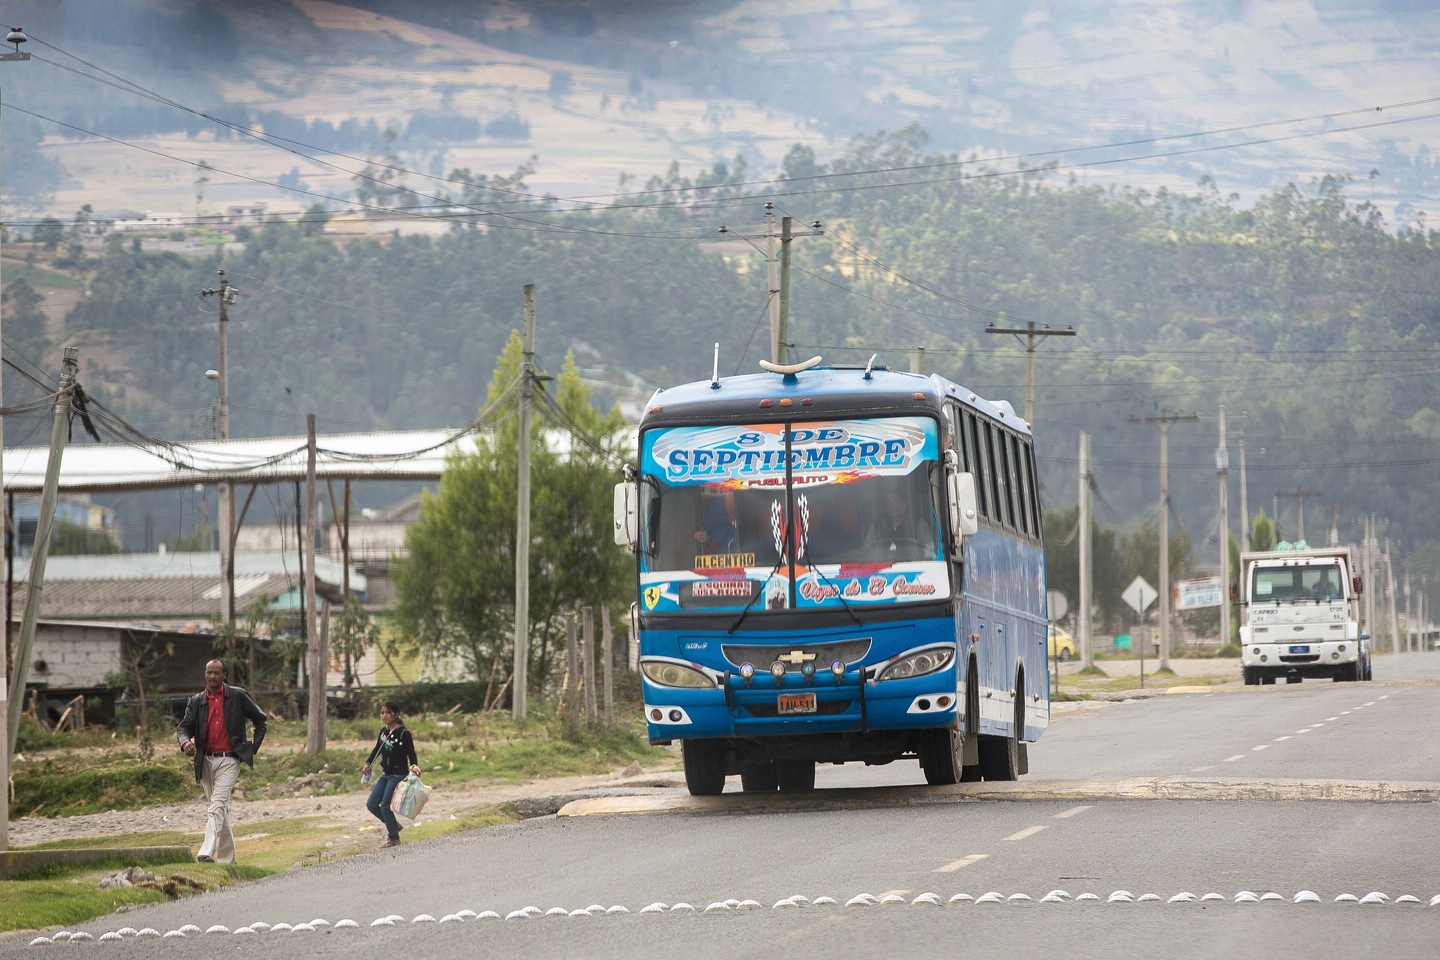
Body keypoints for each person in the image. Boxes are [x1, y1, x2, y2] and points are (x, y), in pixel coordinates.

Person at [176, 659, 268, 864]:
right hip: (206, 761)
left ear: (224, 675)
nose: (212, 677)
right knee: (220, 810)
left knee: (216, 806)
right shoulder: (196, 701)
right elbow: (183, 728)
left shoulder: (237, 696)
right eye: (209, 673)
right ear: (205, 674)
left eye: (217, 673)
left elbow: (260, 720)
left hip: (229, 760)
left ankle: (205, 852)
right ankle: (228, 861)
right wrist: (185, 743)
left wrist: (251, 748)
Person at [362, 701, 421, 848]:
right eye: (382, 713)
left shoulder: (403, 733)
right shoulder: (384, 732)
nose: (384, 716)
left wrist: (414, 768)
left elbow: (411, 753)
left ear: (396, 714)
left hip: (397, 774)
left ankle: (393, 838)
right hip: (385, 773)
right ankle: (393, 824)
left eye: (387, 713)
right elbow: (377, 749)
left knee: (384, 806)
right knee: (371, 804)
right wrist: (368, 763)